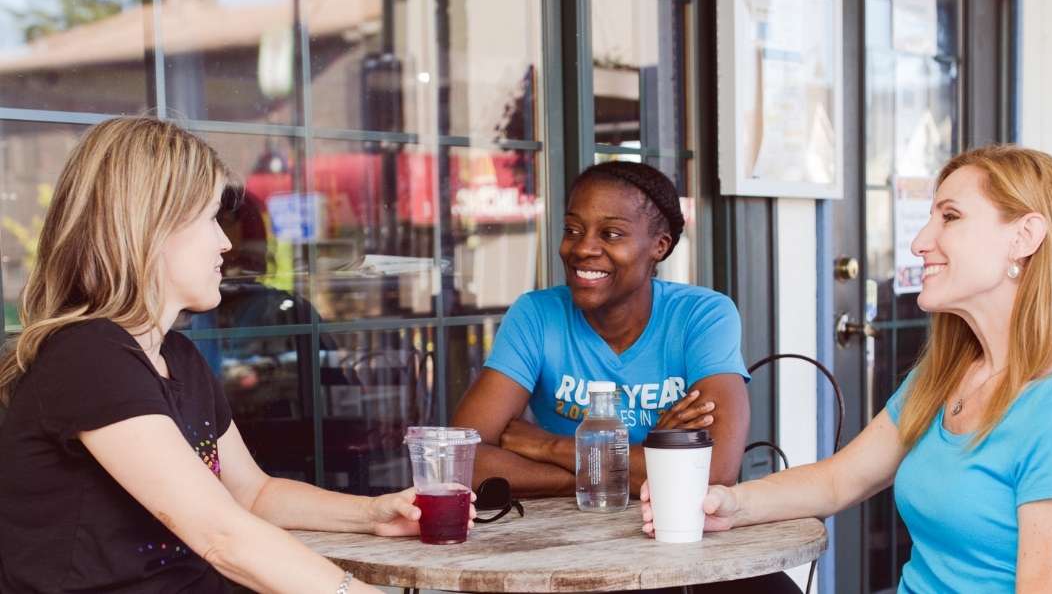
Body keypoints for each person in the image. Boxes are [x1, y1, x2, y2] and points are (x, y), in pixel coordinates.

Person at [642, 145, 1052, 593]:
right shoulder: (951, 376)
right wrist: (727, 504)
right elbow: (841, 480)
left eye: (950, 217)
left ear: (1024, 237)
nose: (920, 241)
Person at [0, 117, 471, 593]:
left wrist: (373, 513)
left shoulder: (175, 356)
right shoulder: (89, 357)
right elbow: (223, 535)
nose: (225, 242)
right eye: (209, 218)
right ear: (151, 228)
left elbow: (251, 493)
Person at [452, 161, 752, 497]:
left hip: (675, 528)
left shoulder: (701, 315)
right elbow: (459, 460)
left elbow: (715, 470)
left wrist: (550, 447)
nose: (582, 248)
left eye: (611, 234)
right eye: (572, 230)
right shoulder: (537, 315)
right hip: (560, 537)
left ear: (660, 246)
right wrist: (630, 468)